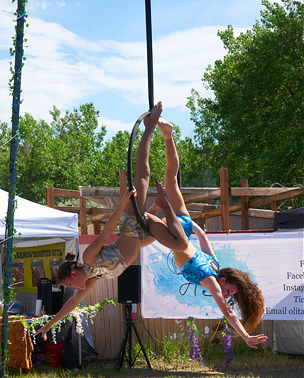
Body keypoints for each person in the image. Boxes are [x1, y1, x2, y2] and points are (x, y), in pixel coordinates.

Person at [35, 102, 163, 341]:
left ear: (74, 275)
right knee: (171, 234)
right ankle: (156, 209)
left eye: (71, 285)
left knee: (142, 175)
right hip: (139, 242)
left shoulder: (89, 259)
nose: (74, 290)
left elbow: (107, 232)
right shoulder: (93, 277)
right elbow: (72, 304)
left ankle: (149, 126)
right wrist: (49, 324)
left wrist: (124, 202)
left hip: (130, 227)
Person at [145, 117, 267, 349]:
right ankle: (156, 208)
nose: (226, 294)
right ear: (223, 280)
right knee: (146, 227)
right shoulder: (211, 280)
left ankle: (168, 135)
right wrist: (245, 336)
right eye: (229, 289)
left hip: (185, 226)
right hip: (178, 237)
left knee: (172, 178)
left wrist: (194, 225)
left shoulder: (214, 263)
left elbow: (203, 238)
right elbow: (228, 312)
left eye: (230, 294)